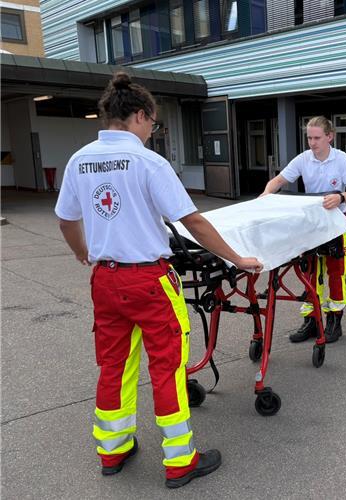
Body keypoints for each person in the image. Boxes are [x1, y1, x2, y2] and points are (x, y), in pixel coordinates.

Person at [55, 72, 263, 489]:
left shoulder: (80, 160)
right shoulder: (148, 162)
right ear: (139, 115)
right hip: (148, 281)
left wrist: (82, 251)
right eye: (152, 122)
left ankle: (112, 450)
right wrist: (238, 258)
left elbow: (66, 219)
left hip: (106, 281)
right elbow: (193, 223)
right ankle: (180, 460)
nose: (152, 130)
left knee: (114, 366)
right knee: (166, 368)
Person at [260, 116, 346, 343]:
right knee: (309, 272)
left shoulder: (342, 160)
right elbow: (278, 181)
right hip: (311, 224)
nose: (312, 143)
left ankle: (334, 321)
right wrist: (266, 194)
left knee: (336, 272)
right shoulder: (303, 159)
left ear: (329, 136)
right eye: (309, 138)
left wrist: (341, 197)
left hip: (336, 222)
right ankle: (312, 321)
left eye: (317, 138)